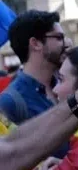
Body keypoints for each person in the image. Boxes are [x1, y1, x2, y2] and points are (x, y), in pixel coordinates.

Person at [0, 11, 68, 156]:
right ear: (35, 43)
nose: (66, 43)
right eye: (59, 37)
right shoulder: (10, 102)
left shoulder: (69, 85)